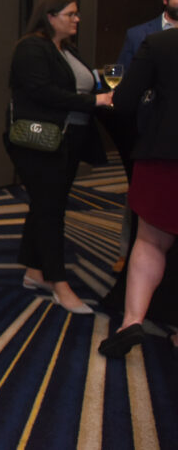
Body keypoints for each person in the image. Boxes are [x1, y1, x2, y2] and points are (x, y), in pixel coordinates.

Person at [5, 0, 112, 314]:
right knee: (50, 210)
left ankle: (34, 271)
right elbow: (42, 92)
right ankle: (59, 283)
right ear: (50, 17)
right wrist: (93, 101)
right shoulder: (31, 48)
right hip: (40, 140)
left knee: (45, 205)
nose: (77, 19)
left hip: (68, 138)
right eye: (70, 14)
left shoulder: (66, 49)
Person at [99, 27, 178, 357]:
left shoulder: (160, 43)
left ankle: (131, 322)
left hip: (163, 154)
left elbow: (125, 100)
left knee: (150, 241)